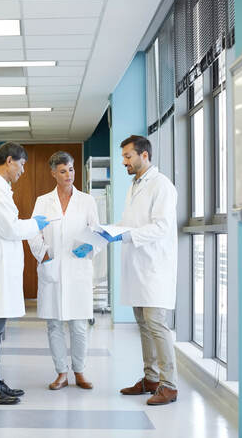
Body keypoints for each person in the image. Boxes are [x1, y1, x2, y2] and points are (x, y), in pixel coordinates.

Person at [98, 135, 178, 406]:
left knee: (156, 324)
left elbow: (161, 227)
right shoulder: (135, 185)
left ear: (144, 155)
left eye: (128, 156)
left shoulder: (161, 185)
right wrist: (110, 231)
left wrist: (126, 236)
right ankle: (151, 379)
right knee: (144, 325)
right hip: (138, 267)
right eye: (124, 157)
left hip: (155, 267)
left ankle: (169, 385)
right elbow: (130, 221)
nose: (124, 162)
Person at [0, 142, 49, 405]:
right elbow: (9, 228)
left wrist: (28, 225)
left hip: (0, 270)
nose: (23, 170)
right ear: (9, 161)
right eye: (22, 164)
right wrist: (34, 225)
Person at [29, 151, 99, 391]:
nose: (68, 175)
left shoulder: (87, 200)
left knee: (80, 325)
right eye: (63, 171)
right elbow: (33, 233)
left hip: (78, 269)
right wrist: (44, 254)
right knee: (55, 325)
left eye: (70, 170)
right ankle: (61, 373)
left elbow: (96, 231)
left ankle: (79, 371)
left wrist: (90, 245)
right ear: (53, 174)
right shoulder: (43, 201)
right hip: (53, 269)